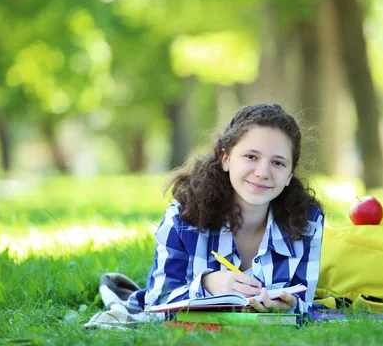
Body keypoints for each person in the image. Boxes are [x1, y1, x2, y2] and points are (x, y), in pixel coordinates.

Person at [126, 103, 325, 320]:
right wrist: (207, 284)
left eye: (278, 162)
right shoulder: (182, 219)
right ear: (226, 158)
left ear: (289, 175)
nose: (262, 173)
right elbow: (156, 303)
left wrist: (290, 307)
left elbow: (305, 305)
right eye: (251, 156)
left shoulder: (307, 222)